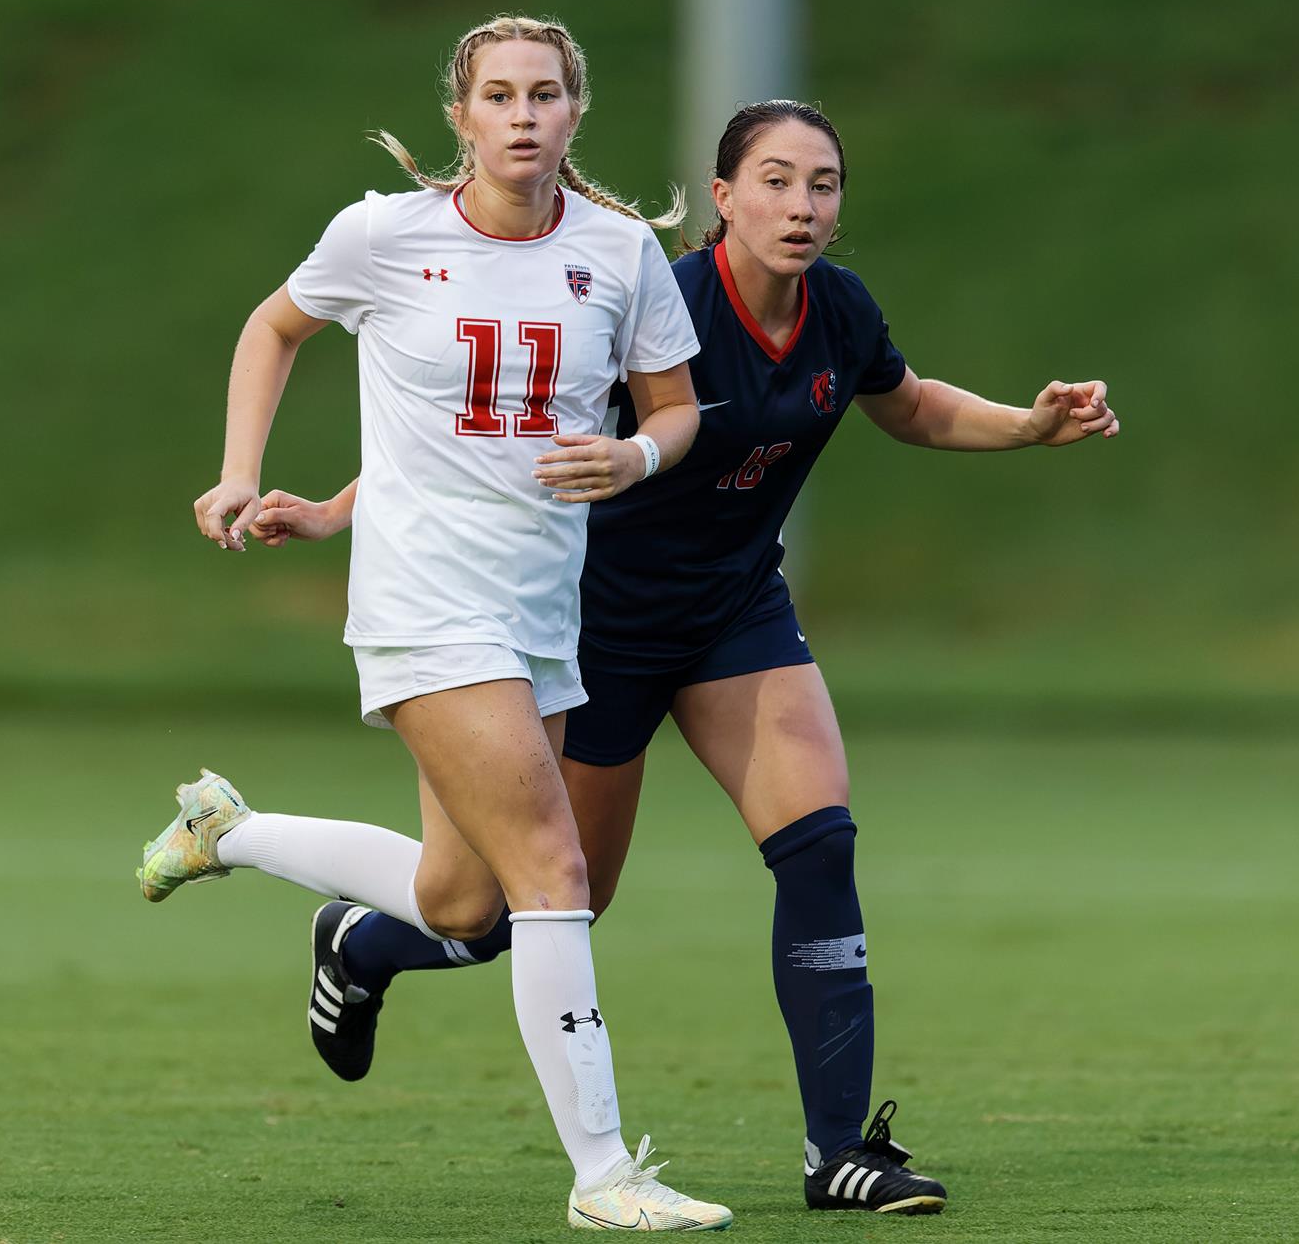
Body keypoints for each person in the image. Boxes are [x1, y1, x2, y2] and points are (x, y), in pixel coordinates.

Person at [245, 99, 1122, 1220]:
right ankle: (364, 942)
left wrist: (1026, 424)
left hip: (734, 617)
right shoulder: (650, 297)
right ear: (720, 197)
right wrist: (334, 509)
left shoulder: (837, 311)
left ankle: (838, 1151)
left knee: (819, 845)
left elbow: (903, 406)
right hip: (593, 627)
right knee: (532, 908)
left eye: (821, 184)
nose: (800, 206)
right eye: (773, 180)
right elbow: (492, 438)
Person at [136, 15, 735, 1233]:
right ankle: (603, 1174)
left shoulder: (619, 252)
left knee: (465, 906)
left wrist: (629, 454)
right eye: (500, 96)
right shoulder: (384, 234)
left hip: (535, 613)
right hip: (421, 608)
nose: (523, 116)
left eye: (546, 95)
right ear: (459, 117)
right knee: (554, 871)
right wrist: (240, 472)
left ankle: (227, 833)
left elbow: (672, 413)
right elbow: (274, 327)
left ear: (576, 114)